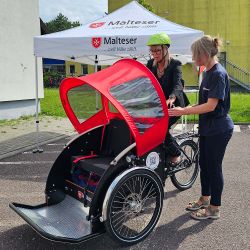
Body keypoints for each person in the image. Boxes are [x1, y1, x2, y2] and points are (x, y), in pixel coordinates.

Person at [168, 35, 234, 220]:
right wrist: (186, 108)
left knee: (213, 167)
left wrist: (183, 112)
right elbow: (203, 102)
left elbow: (211, 106)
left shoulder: (218, 74)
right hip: (208, 127)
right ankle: (205, 199)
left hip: (219, 129)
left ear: (205, 54)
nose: (193, 59)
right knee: (204, 164)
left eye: (196, 55)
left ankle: (214, 208)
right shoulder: (207, 71)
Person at [146, 32, 189, 165]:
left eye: (158, 50)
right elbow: (144, 82)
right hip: (158, 105)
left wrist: (172, 97)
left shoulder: (175, 64)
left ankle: (176, 153)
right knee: (147, 128)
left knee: (161, 129)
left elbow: (178, 84)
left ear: (165, 49)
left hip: (174, 105)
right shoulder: (150, 64)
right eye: (152, 51)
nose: (155, 54)